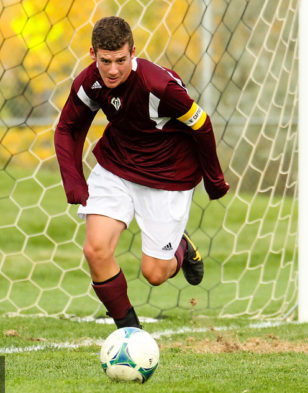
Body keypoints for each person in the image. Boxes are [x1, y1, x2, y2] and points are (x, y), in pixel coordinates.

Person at [54, 16, 229, 329]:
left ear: (132, 52)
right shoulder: (89, 83)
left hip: (167, 178)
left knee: (155, 274)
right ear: (93, 54)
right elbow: (68, 127)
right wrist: (74, 182)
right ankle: (129, 332)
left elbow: (201, 124)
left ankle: (180, 246)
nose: (112, 70)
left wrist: (214, 180)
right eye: (105, 61)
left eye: (121, 60)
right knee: (96, 249)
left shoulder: (158, 85)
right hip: (116, 167)